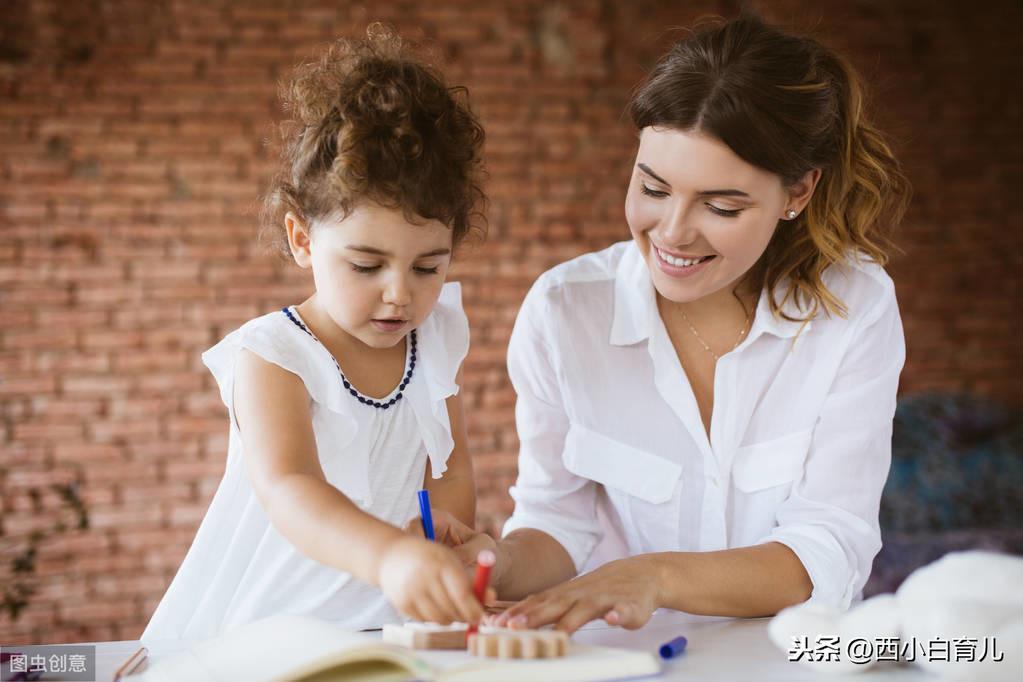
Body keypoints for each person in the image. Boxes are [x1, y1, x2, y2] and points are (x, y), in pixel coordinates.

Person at [441, 13, 910, 634]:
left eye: (721, 205)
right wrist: (496, 561)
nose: (673, 233)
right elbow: (559, 523)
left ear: (797, 193)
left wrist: (656, 575)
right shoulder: (566, 313)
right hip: (622, 663)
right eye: (653, 188)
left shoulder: (853, 309)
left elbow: (827, 547)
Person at [142, 27, 488, 640]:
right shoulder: (275, 355)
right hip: (277, 628)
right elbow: (290, 487)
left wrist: (444, 537)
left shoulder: (432, 340)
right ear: (303, 239)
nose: (400, 293)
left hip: (386, 628)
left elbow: (449, 468)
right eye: (366, 265)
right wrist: (388, 554)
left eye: (429, 266)